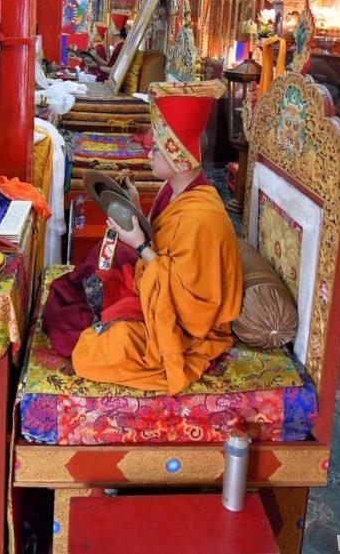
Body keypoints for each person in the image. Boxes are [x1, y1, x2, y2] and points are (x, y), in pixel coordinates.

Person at [45, 80, 242, 395]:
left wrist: (139, 244)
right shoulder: (172, 188)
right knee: (74, 292)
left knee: (94, 349)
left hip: (182, 320)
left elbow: (191, 303)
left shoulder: (201, 219)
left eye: (155, 149)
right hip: (151, 286)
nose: (148, 154)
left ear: (177, 156)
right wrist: (135, 208)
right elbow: (161, 239)